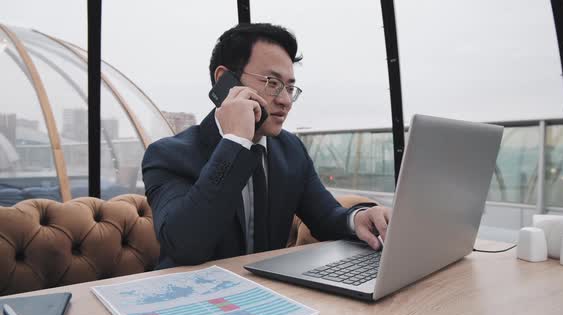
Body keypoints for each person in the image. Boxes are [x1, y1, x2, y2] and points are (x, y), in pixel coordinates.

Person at [142, 23, 392, 269]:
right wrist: (235, 142)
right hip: (191, 300)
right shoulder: (167, 155)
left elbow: (326, 217)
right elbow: (185, 246)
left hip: (271, 297)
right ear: (224, 81)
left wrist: (358, 218)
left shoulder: (290, 149)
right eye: (272, 83)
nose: (285, 101)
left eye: (290, 87)